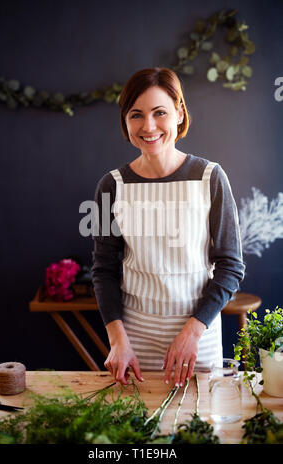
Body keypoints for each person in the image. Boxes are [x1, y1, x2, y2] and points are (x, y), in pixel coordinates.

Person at [91, 67, 245, 388]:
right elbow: (104, 270)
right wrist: (118, 340)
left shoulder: (210, 177)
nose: (148, 126)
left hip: (197, 339)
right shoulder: (112, 185)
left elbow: (230, 266)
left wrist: (192, 332)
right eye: (136, 115)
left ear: (179, 114)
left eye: (160, 112)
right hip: (135, 340)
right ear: (125, 121)